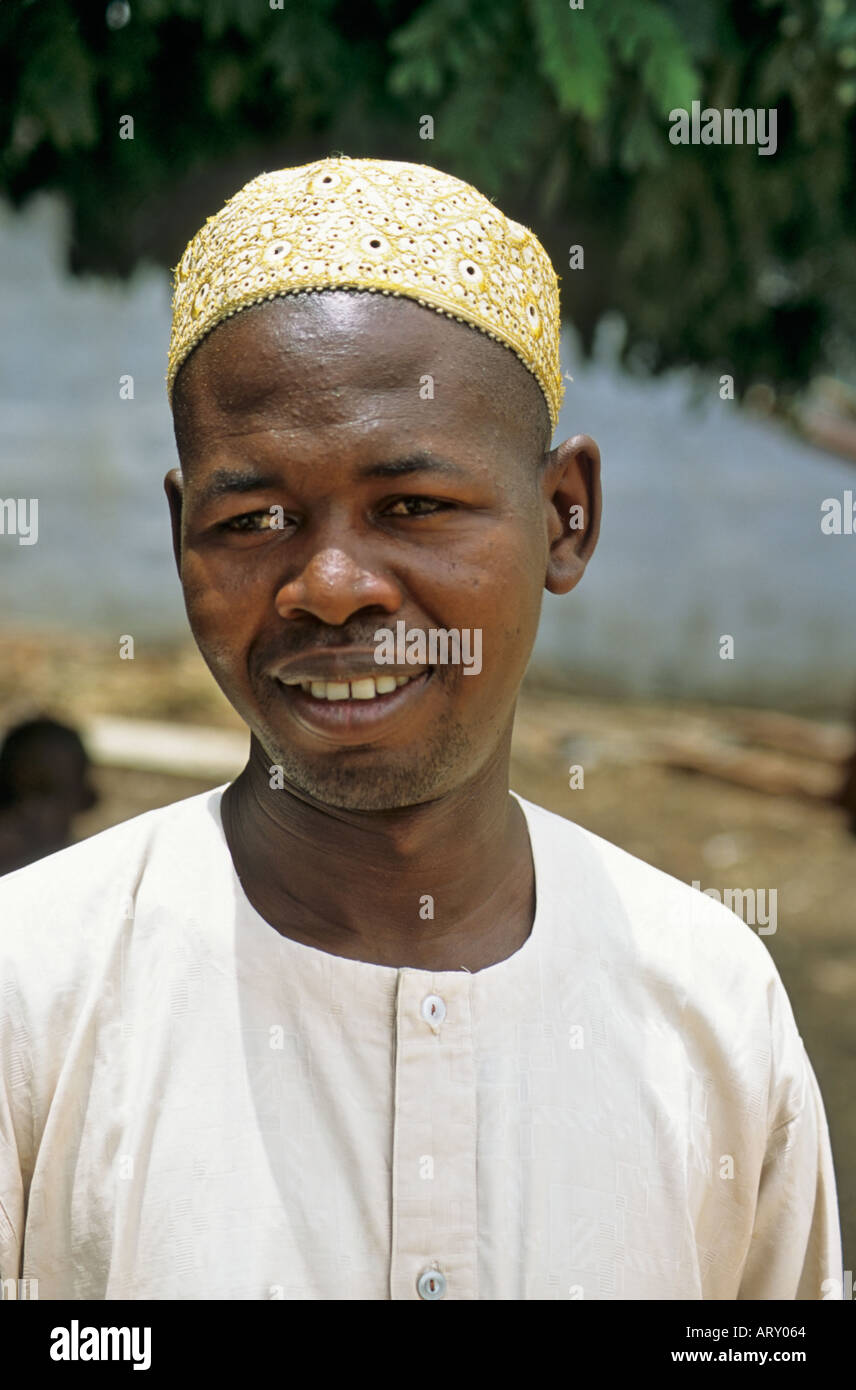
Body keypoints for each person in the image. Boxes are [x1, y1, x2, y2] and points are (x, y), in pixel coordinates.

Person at [0, 157, 843, 1301]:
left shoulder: (709, 1008)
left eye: (414, 507)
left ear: (564, 519)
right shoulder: (34, 990)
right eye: (255, 518)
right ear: (180, 533)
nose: (331, 584)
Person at [0, 717, 97, 875]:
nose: (29, 809)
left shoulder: (87, 876)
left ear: (81, 800)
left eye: (44, 791)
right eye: (9, 795)